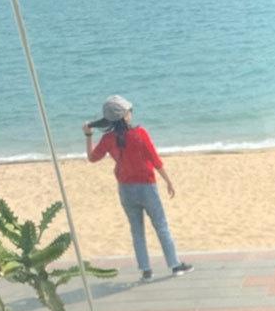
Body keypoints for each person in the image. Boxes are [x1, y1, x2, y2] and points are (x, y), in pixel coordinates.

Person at [83, 95, 194, 282]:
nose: (131, 113)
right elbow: (155, 159)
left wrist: (88, 136)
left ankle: (146, 271)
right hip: (147, 186)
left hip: (126, 189)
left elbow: (92, 158)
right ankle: (175, 266)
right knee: (161, 226)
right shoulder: (140, 133)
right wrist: (168, 181)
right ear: (125, 115)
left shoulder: (108, 139)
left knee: (137, 231)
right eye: (129, 111)